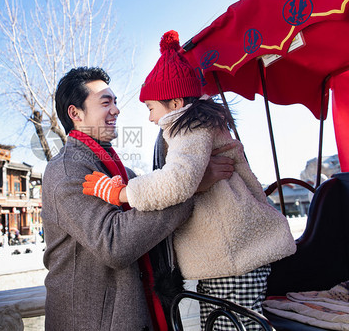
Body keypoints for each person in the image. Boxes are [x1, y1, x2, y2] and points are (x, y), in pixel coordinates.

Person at [83, 30, 296, 330]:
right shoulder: (197, 125)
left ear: (175, 103)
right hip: (230, 256)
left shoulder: (189, 125)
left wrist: (121, 193)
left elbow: (177, 181)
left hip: (234, 257)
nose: (150, 118)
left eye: (151, 108)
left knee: (236, 325)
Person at [41, 66, 236, 330]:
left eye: (116, 101)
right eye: (105, 102)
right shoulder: (66, 170)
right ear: (75, 113)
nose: (116, 110)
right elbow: (114, 244)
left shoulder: (124, 172)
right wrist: (190, 188)